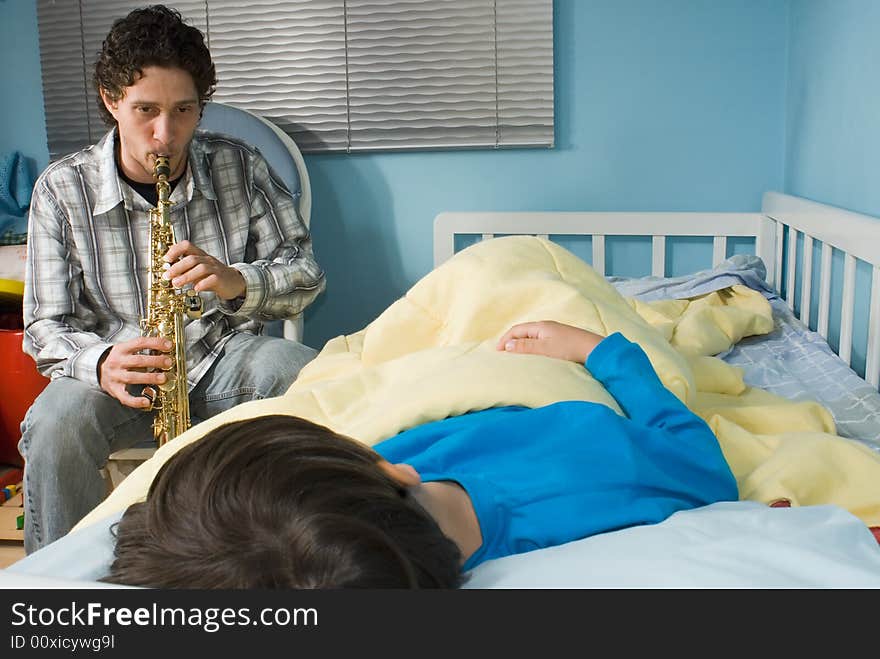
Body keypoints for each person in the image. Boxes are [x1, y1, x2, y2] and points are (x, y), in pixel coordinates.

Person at [105, 321, 738, 589]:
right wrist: (601, 350)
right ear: (388, 470)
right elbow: (699, 458)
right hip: (574, 382)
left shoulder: (368, 535)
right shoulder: (615, 478)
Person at [20, 5, 325, 554]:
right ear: (111, 101)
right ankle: (57, 591)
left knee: (306, 375)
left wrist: (236, 281)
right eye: (146, 111)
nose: (166, 135)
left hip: (221, 355)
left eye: (184, 110)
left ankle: (298, 561)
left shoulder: (240, 164)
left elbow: (306, 275)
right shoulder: (60, 189)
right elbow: (44, 325)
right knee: (55, 424)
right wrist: (101, 363)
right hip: (119, 377)